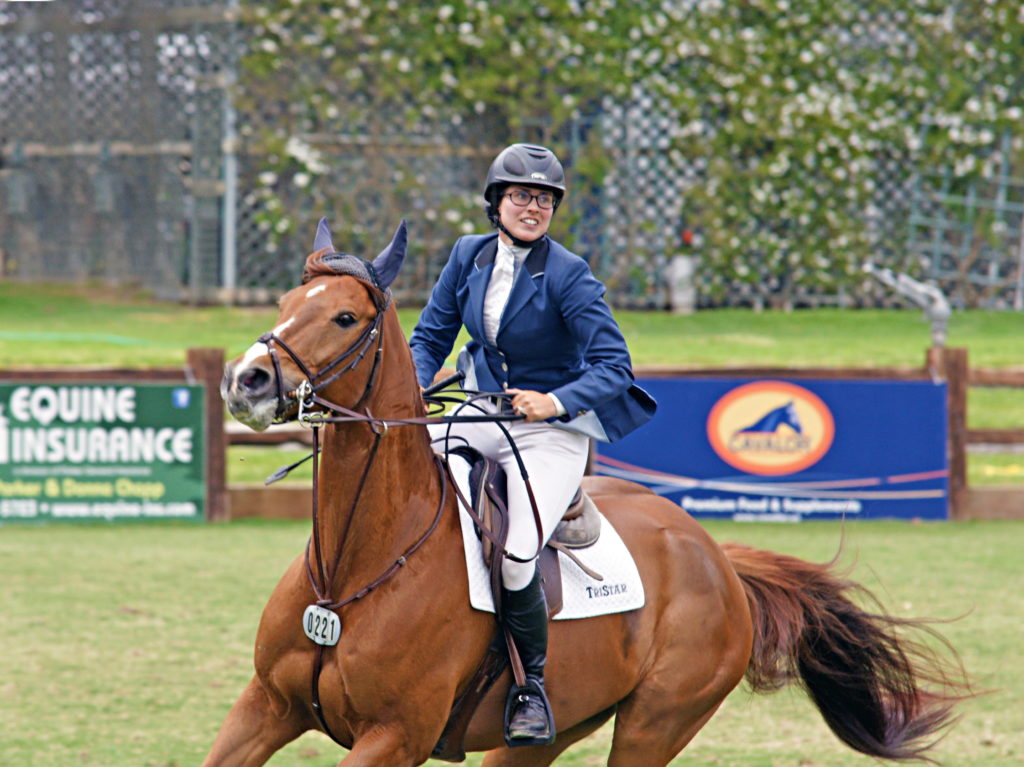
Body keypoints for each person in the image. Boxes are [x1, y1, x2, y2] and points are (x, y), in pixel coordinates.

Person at [409, 142, 656, 746]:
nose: (533, 207)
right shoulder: (467, 256)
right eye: (521, 195)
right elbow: (430, 336)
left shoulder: (569, 274)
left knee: (518, 553)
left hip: (549, 432)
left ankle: (529, 688)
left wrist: (556, 401)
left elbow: (614, 366)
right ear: (496, 202)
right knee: (409, 490)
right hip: (480, 411)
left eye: (543, 199)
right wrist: (413, 390)